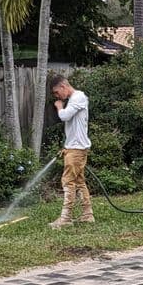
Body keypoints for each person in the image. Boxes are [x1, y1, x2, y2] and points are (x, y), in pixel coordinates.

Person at [50, 75, 93, 228]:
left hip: (77, 149)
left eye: (56, 92)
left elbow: (65, 116)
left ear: (63, 86)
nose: (57, 96)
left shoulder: (78, 97)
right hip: (74, 148)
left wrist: (59, 107)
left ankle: (66, 218)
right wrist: (67, 146)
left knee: (68, 182)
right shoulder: (75, 100)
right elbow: (73, 126)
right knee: (79, 182)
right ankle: (87, 215)